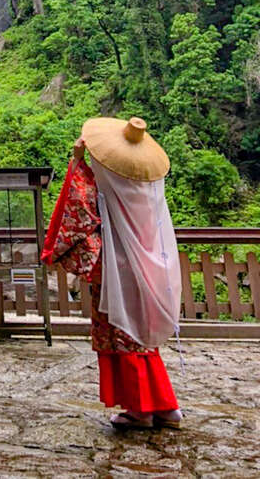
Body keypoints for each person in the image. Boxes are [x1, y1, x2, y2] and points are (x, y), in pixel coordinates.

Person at [41, 115, 183, 430]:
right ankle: (165, 406)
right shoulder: (146, 189)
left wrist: (77, 163)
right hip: (148, 266)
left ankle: (139, 410)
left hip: (115, 268)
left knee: (122, 334)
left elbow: (80, 208)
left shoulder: (104, 187)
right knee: (142, 336)